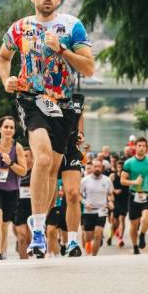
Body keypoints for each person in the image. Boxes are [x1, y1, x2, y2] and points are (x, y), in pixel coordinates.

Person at [0, 0, 94, 258]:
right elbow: (3, 58)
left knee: (52, 169)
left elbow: (88, 68)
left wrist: (62, 50)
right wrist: (7, 79)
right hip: (30, 99)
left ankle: (38, 218)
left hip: (62, 105)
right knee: (42, 158)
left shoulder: (72, 26)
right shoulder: (20, 27)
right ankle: (38, 231)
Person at [0, 116, 27, 260]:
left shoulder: (18, 147)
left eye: (11, 127)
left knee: (4, 225)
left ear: (14, 131)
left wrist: (11, 163)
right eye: (6, 127)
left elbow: (23, 171)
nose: (8, 130)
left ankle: (2, 251)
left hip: (12, 190)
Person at [58, 93, 87, 257]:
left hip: (71, 151)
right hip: (52, 150)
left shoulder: (76, 98)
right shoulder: (42, 92)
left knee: (73, 194)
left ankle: (72, 241)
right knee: (49, 197)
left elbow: (80, 113)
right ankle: (39, 227)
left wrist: (80, 132)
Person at [121, 137, 148, 255]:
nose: (141, 148)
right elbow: (123, 180)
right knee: (134, 224)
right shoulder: (129, 163)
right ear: (135, 147)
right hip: (133, 196)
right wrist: (134, 182)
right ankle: (135, 246)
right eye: (139, 145)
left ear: (146, 148)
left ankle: (142, 234)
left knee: (146, 219)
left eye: (144, 146)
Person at [80, 159, 113, 256]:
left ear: (102, 168)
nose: (97, 168)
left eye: (99, 166)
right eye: (95, 166)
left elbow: (110, 194)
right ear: (92, 167)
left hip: (102, 210)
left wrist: (110, 201)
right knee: (88, 237)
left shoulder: (107, 180)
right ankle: (88, 244)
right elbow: (79, 194)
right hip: (88, 211)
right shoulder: (85, 180)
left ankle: (94, 257)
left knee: (98, 234)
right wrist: (85, 203)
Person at [13, 148, 34, 259]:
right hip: (19, 206)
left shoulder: (37, 171)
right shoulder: (17, 170)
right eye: (22, 156)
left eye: (26, 156)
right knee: (22, 237)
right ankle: (23, 262)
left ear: (32, 158)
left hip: (34, 207)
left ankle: (41, 259)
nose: (24, 158)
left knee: (31, 238)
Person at [109, 157, 128, 247]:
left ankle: (120, 238)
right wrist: (114, 191)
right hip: (115, 201)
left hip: (124, 201)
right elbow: (108, 189)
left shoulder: (127, 176)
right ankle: (110, 236)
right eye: (118, 166)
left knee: (122, 219)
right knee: (114, 222)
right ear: (116, 167)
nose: (120, 167)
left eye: (121, 166)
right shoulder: (112, 176)